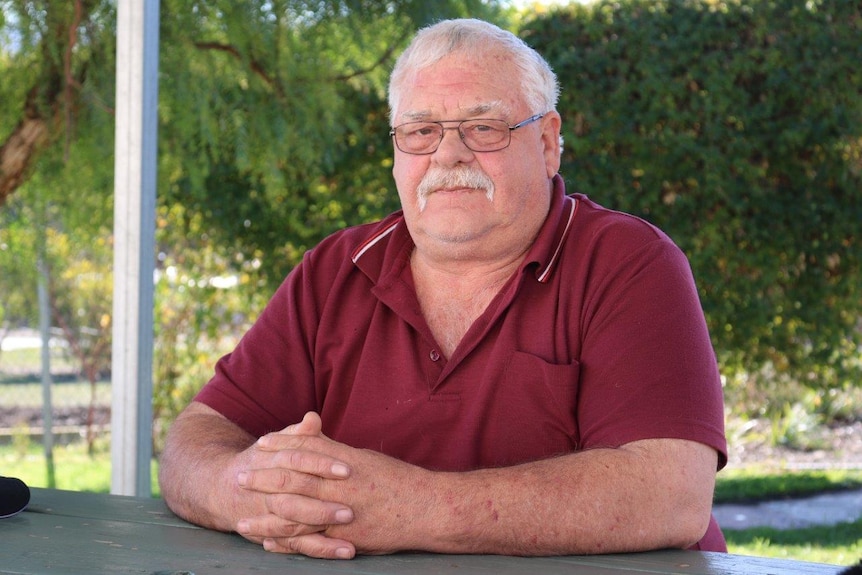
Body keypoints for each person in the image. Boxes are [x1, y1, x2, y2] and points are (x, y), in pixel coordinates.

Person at [159, 18, 728, 560]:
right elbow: (197, 439)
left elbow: (670, 495)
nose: (448, 154)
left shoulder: (629, 263)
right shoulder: (335, 270)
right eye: (421, 130)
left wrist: (412, 508)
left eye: (484, 127)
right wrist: (248, 492)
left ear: (549, 143)